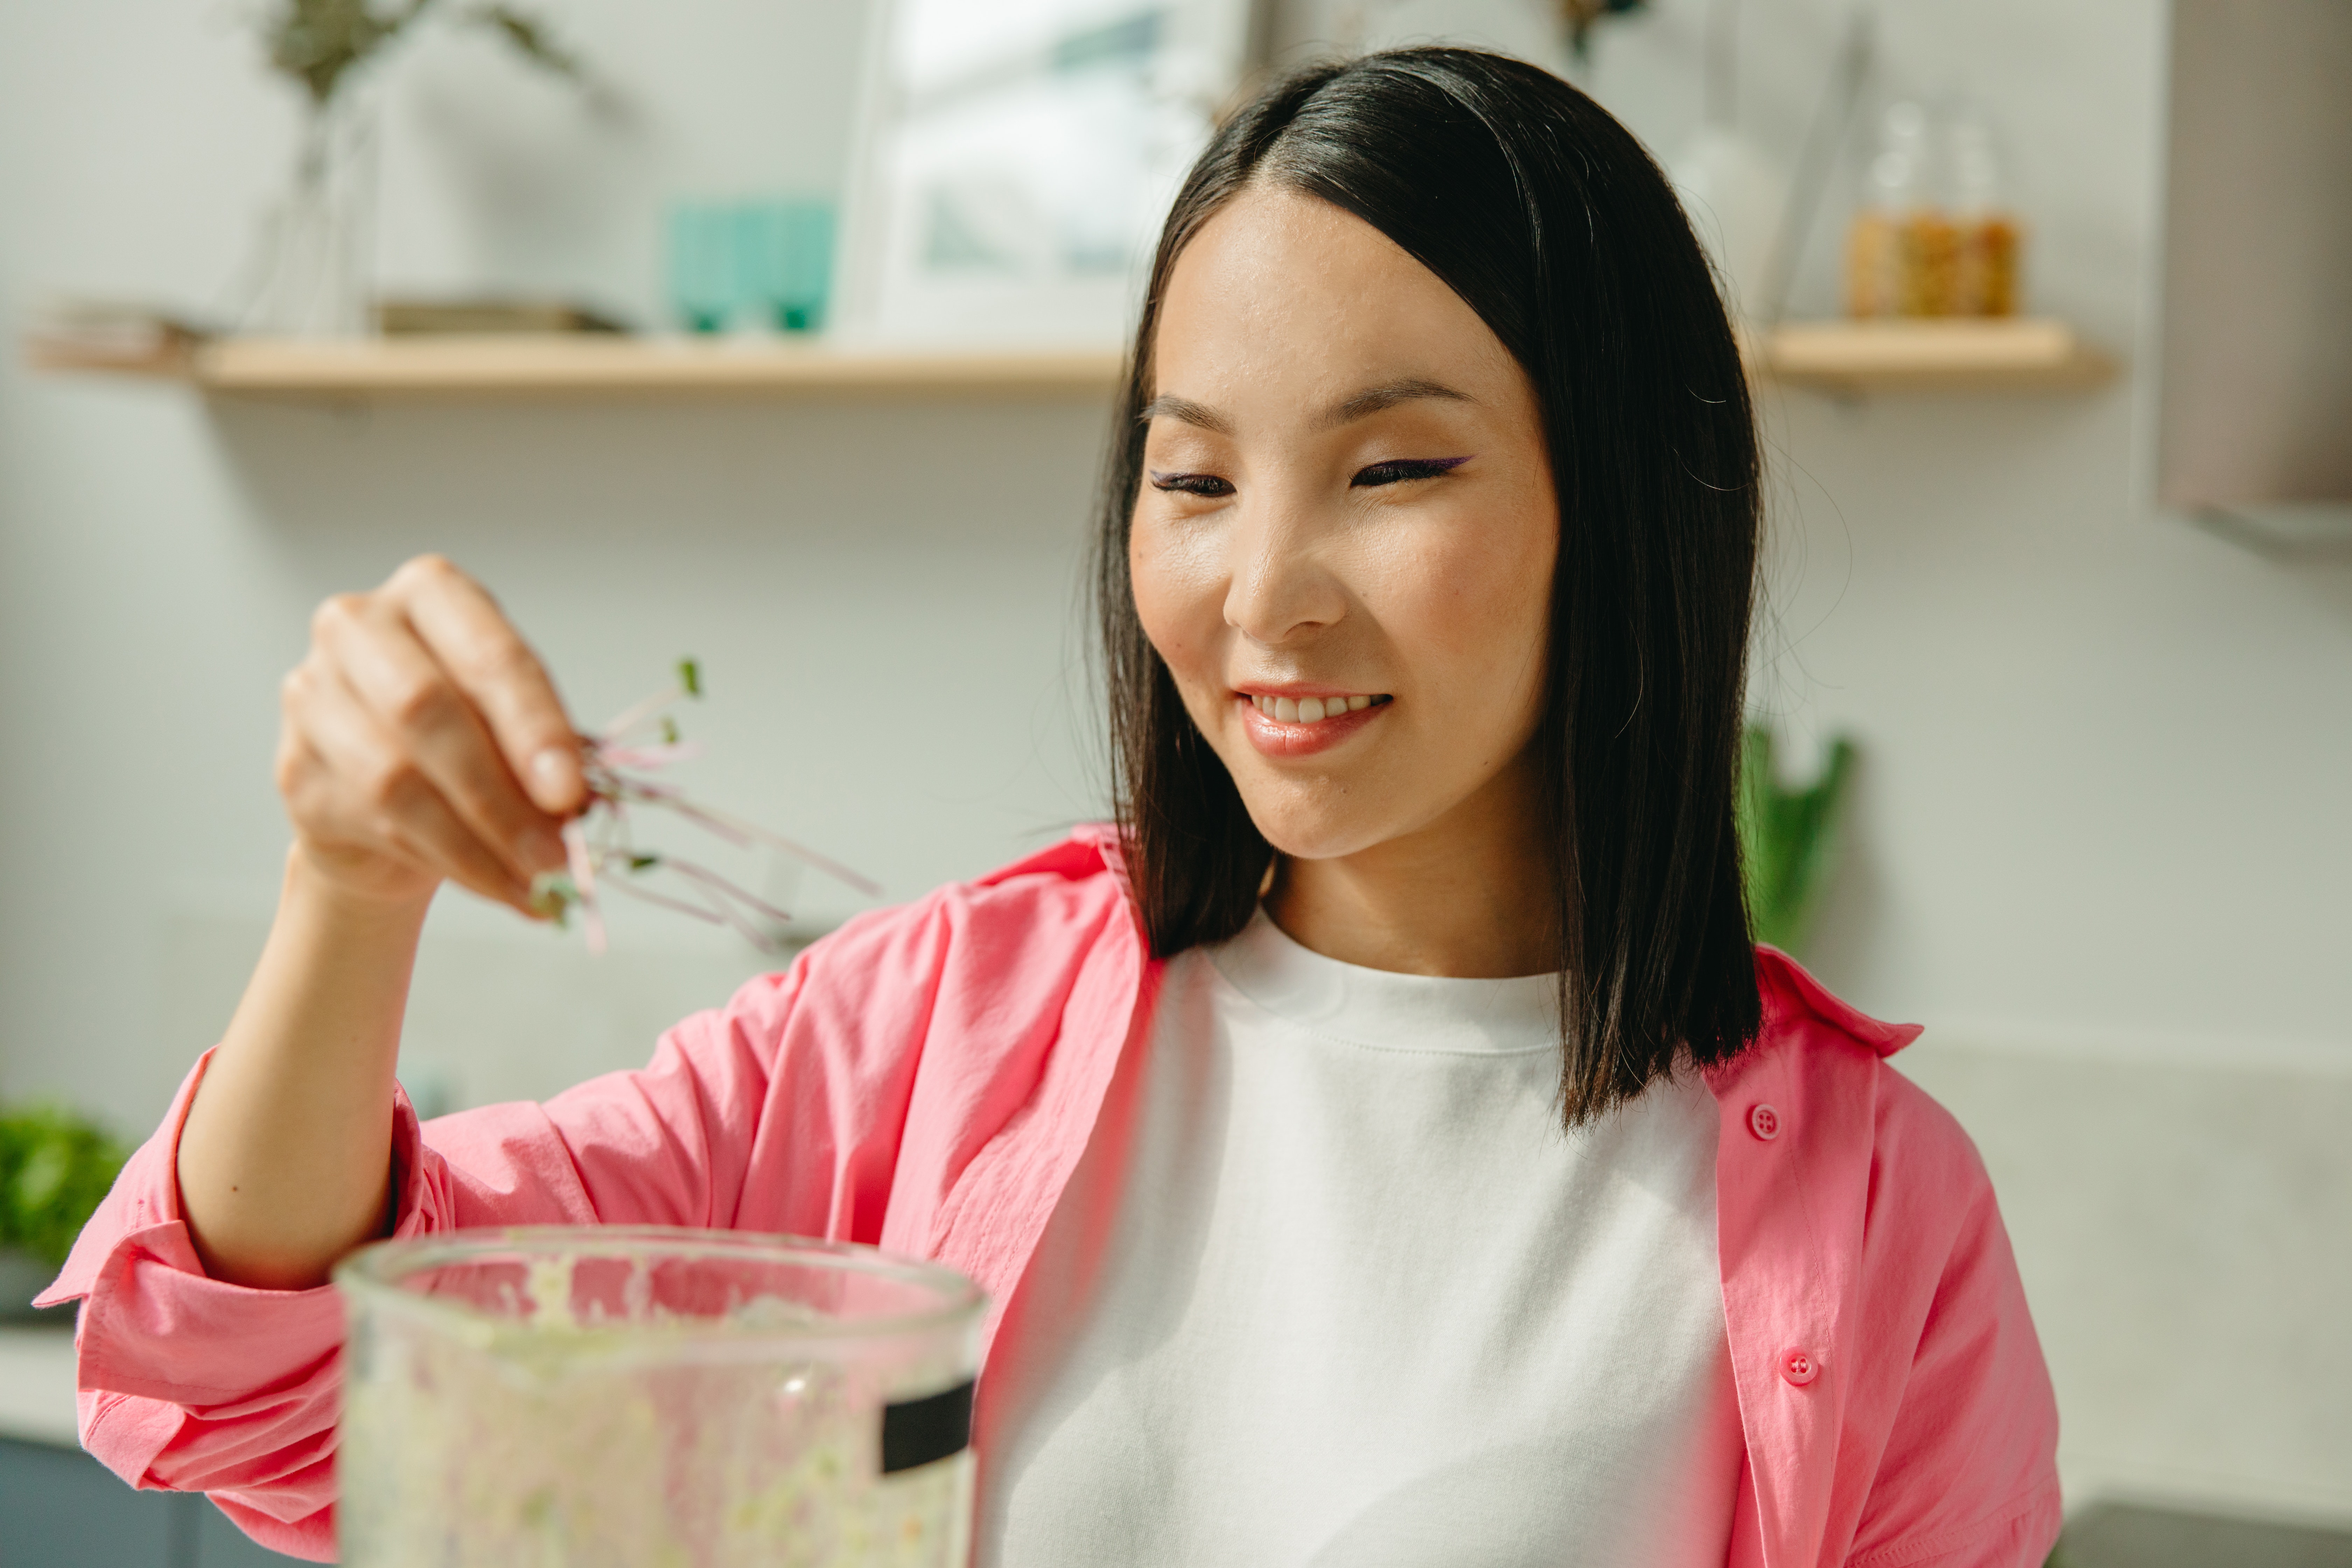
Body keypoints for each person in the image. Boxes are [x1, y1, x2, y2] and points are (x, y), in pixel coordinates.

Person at [43, 47, 2060, 1568]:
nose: (1261, 591)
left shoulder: (1881, 1221)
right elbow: (276, 1377)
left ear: (1623, 504)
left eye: (1393, 470)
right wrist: (351, 886)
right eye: (1193, 482)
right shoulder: (925, 1034)